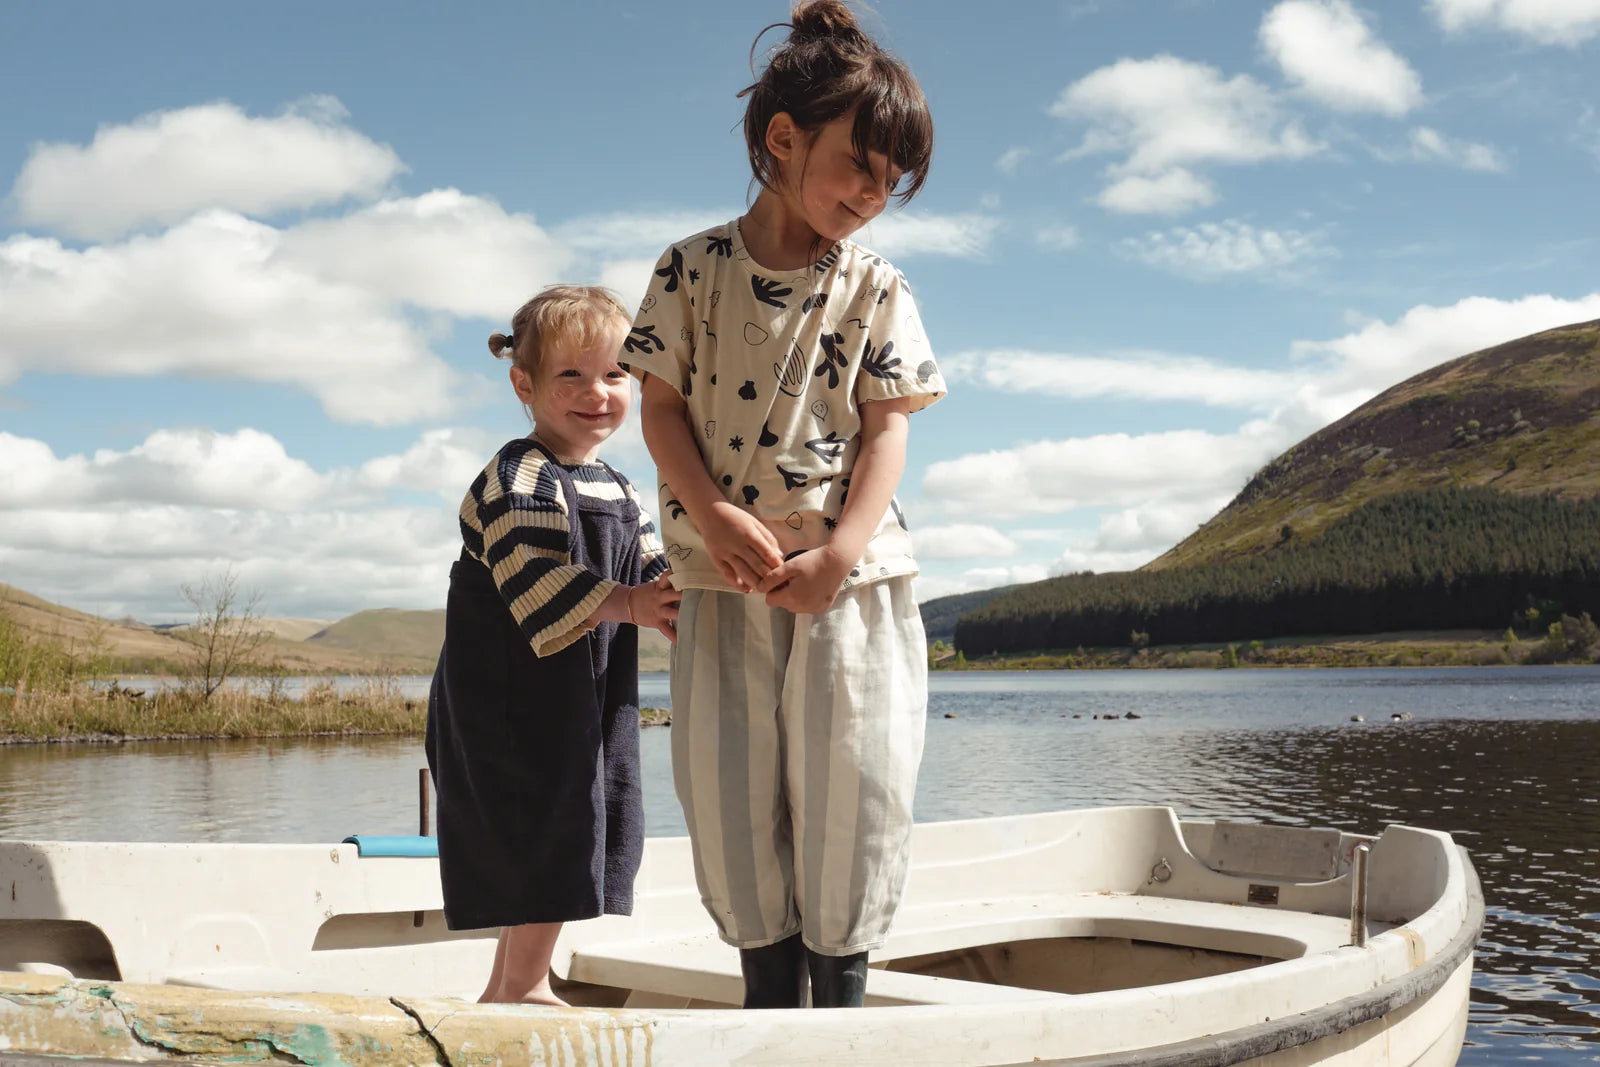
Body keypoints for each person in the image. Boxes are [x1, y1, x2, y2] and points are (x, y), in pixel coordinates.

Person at [621, 0, 944, 1009]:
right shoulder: (689, 268)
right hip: (722, 584)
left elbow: (888, 430)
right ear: (782, 139)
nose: (872, 195)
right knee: (730, 812)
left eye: (891, 181)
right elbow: (660, 407)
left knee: (855, 802)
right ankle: (768, 1019)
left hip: (850, 587)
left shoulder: (877, 286)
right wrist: (711, 513)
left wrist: (840, 554)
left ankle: (838, 1025)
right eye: (859, 166)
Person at [425, 284, 680, 1006]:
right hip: (511, 696)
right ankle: (528, 985)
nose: (597, 392)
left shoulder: (620, 487)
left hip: (581, 693)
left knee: (578, 817)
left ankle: (503, 988)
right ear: (524, 384)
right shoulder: (519, 475)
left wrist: (678, 599)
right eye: (572, 375)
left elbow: (651, 567)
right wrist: (630, 604)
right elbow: (535, 578)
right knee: (548, 827)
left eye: (615, 374)